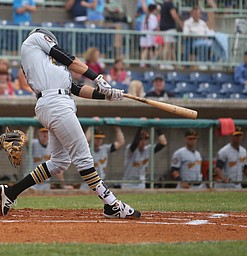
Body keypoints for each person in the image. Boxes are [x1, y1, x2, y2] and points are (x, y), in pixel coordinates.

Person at [0, 28, 141, 218]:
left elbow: (75, 88)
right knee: (83, 157)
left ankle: (10, 192)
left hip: (56, 103)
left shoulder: (51, 71)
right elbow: (68, 58)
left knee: (59, 162)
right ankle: (111, 204)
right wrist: (97, 77)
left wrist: (107, 95)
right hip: (55, 104)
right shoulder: (34, 39)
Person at [25, 126, 66, 190]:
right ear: (39, 133)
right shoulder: (33, 143)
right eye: (42, 132)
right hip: (31, 180)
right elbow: (26, 140)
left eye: (46, 132)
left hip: (45, 182)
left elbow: (57, 167)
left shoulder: (52, 146)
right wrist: (32, 126)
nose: (45, 134)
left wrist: (63, 184)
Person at [159, 0, 184, 70]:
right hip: (169, 28)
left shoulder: (163, 4)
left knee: (171, 46)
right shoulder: (170, 4)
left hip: (164, 27)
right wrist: (180, 23)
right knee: (168, 46)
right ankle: (164, 63)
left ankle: (173, 63)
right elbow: (174, 15)